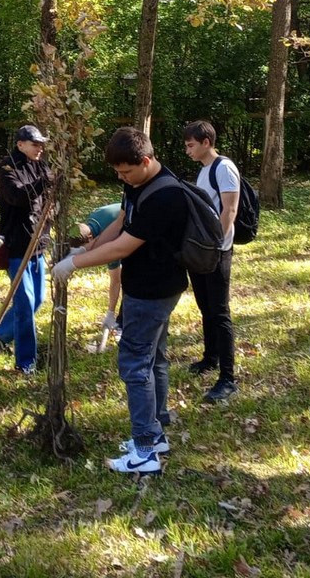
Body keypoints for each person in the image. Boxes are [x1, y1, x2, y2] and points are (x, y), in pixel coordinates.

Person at [51, 127, 189, 475]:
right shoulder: (137, 184)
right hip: (144, 287)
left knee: (135, 364)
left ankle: (145, 452)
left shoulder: (166, 195)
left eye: (126, 171)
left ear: (146, 161)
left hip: (154, 290)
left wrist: (75, 263)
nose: (121, 178)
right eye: (118, 173)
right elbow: (122, 222)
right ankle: (155, 436)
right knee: (154, 359)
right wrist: (88, 246)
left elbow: (127, 245)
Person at [181, 120, 241, 402]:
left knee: (219, 311)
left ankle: (228, 378)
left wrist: (216, 244)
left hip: (216, 250)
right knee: (205, 306)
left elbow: (229, 209)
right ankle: (210, 357)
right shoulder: (204, 171)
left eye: (191, 145)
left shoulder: (224, 168)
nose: (187, 150)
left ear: (206, 142)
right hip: (202, 250)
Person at [0, 124, 56, 374]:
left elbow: (48, 198)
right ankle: (26, 363)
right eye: (35, 144)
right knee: (25, 304)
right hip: (17, 244)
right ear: (20, 144)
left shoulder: (40, 164)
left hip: (38, 243)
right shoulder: (8, 168)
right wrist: (45, 181)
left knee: (37, 299)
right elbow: (18, 197)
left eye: (41, 144)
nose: (40, 148)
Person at [74, 203, 124, 337]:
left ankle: (123, 323)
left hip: (142, 229)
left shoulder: (109, 238)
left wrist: (110, 313)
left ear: (90, 239)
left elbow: (116, 280)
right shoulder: (93, 219)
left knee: (132, 281)